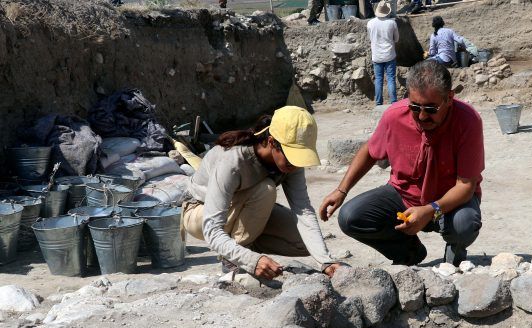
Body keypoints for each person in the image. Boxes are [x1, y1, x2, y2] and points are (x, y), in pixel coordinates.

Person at [318, 60, 484, 266]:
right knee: (350, 217)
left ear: (449, 98)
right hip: (404, 196)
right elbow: (370, 151)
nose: (422, 116)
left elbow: (466, 186)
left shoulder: (467, 121)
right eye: (415, 107)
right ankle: (409, 253)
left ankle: (455, 253)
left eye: (431, 109)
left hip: (447, 203)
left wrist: (430, 210)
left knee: (464, 225)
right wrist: (341, 190)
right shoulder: (394, 116)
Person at [182, 106, 343, 280]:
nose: (295, 166)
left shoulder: (291, 163)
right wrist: (251, 260)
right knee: (266, 189)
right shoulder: (233, 161)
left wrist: (325, 261)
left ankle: (242, 245)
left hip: (242, 211)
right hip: (199, 213)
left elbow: (302, 209)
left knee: (304, 243)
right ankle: (234, 259)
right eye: (291, 157)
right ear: (272, 142)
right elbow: (212, 230)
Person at [367, 1, 399, 105]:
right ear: (387, 12)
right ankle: (393, 102)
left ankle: (378, 102)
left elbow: (370, 38)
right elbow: (397, 39)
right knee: (391, 79)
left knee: (378, 80)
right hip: (389, 55)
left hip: (376, 56)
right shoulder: (392, 23)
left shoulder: (370, 23)